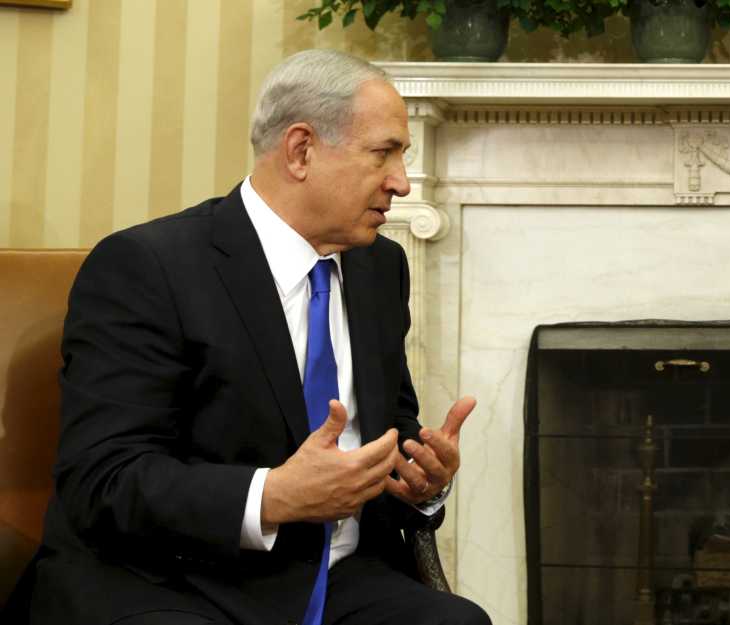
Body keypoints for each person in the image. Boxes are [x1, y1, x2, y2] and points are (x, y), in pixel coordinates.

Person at [14, 49, 489, 625]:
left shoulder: (379, 268)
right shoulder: (147, 268)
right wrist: (274, 496)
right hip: (174, 577)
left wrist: (417, 478)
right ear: (301, 150)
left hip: (331, 575)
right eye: (383, 153)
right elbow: (103, 479)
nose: (402, 184)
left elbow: (387, 426)